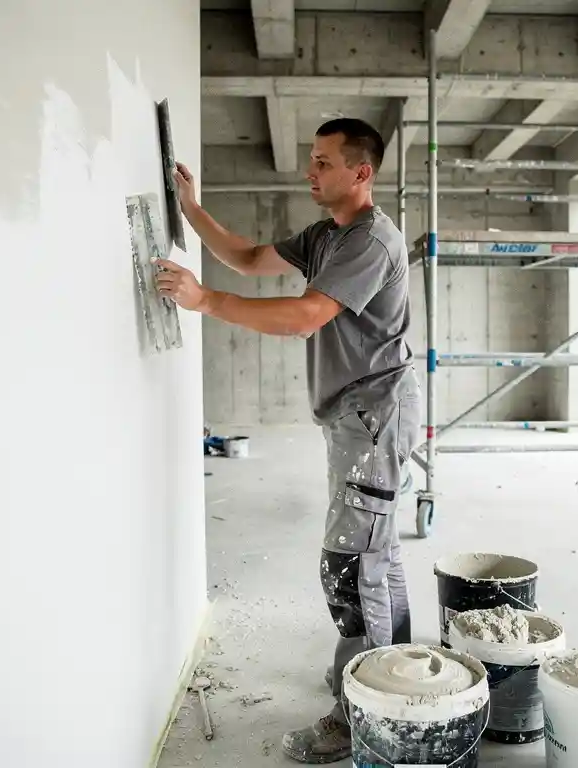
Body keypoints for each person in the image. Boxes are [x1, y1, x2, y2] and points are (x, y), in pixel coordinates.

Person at [155, 117, 420, 764]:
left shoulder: (370, 241)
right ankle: (395, 677)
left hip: (373, 415)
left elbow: (306, 316)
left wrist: (204, 302)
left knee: (349, 566)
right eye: (311, 159)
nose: (310, 170)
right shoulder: (328, 235)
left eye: (324, 162)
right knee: (374, 556)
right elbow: (248, 258)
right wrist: (192, 211)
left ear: (361, 172)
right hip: (356, 414)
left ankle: (362, 718)